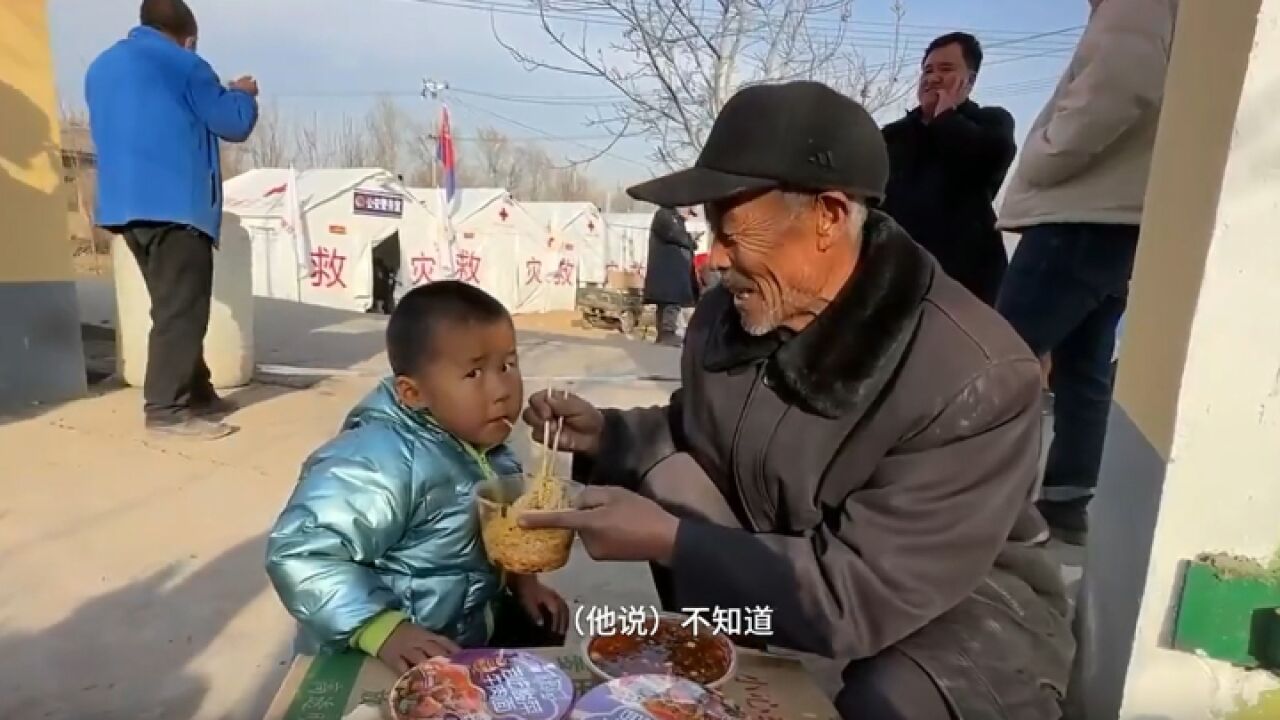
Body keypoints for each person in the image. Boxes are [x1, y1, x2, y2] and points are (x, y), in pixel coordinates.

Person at [521, 81, 1073, 719]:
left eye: (735, 233)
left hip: (952, 599)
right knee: (656, 473)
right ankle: (734, 664)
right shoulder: (728, 312)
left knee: (893, 697)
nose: (714, 259)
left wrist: (675, 542)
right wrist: (607, 435)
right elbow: (701, 432)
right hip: (799, 548)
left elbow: (861, 591)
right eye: (711, 231)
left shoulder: (976, 374)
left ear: (828, 217)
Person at [265, 281, 569, 673]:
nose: (501, 390)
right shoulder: (378, 461)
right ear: (412, 393)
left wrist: (525, 583)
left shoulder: (490, 450)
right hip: (379, 652)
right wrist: (383, 630)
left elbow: (501, 537)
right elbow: (302, 552)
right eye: (474, 372)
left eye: (507, 365)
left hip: (458, 639)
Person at [996, 0, 1178, 545]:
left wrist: (1042, 154)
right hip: (1120, 217)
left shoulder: (1136, 4)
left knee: (995, 361)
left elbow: (1123, 84)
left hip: (1080, 214)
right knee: (1083, 370)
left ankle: (988, 507)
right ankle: (1066, 501)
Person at [85, 0, 259, 440]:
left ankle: (198, 392)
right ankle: (166, 411)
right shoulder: (186, 64)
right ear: (190, 36)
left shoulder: (100, 67)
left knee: (172, 305)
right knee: (181, 312)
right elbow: (232, 123)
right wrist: (242, 93)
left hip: (125, 208)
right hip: (176, 205)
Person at [881, 32, 1017, 306]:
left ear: (970, 79)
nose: (932, 78)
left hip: (965, 281)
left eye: (946, 69)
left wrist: (945, 116)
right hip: (898, 274)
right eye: (927, 70)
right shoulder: (893, 136)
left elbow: (987, 161)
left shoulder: (990, 122)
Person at [643, 206, 698, 346]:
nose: (689, 216)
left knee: (669, 302)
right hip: (668, 271)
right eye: (689, 211)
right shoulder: (665, 215)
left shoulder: (676, 220)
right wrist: (691, 241)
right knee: (670, 302)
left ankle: (664, 334)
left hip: (672, 272)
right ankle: (667, 332)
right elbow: (675, 235)